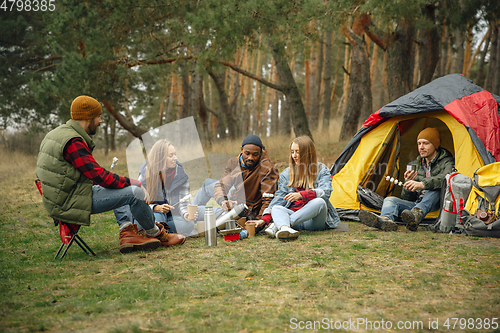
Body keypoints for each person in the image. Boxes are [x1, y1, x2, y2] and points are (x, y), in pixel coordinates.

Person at [35, 95, 185, 254]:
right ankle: (157, 234)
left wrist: (119, 182)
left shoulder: (57, 135)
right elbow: (98, 176)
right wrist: (135, 182)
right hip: (70, 201)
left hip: (63, 197)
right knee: (135, 192)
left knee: (117, 186)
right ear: (88, 118)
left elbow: (85, 176)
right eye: (98, 117)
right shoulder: (73, 141)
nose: (100, 121)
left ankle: (127, 233)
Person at [359, 127, 455, 231]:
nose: (421, 147)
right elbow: (407, 198)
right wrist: (408, 184)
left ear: (435, 145)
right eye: (419, 144)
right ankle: (385, 220)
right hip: (416, 205)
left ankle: (416, 214)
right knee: (390, 200)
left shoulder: (447, 161)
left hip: (437, 203)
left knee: (433, 190)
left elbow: (446, 179)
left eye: (426, 143)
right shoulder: (414, 165)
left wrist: (422, 184)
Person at [192, 134, 279, 234]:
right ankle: (192, 217)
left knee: (194, 210)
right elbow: (222, 185)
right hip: (236, 199)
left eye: (255, 154)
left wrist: (258, 222)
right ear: (241, 150)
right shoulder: (234, 162)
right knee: (208, 183)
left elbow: (268, 200)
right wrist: (223, 201)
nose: (250, 157)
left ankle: (190, 217)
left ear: (260, 153)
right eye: (247, 153)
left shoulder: (268, 169)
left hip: (245, 211)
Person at [262, 136, 341, 241]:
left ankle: (279, 225)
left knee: (320, 202)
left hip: (314, 221)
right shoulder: (286, 173)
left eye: (298, 152)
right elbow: (280, 198)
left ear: (307, 153)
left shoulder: (322, 170)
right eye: (292, 152)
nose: (294, 155)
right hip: (296, 220)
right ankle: (285, 229)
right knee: (276, 208)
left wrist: (302, 195)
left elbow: (325, 192)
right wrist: (265, 219)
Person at [114, 140, 197, 236]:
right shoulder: (146, 174)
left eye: (175, 154)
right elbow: (138, 203)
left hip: (170, 217)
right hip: (149, 216)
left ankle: (153, 232)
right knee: (158, 217)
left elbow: (184, 202)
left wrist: (186, 214)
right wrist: (157, 208)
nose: (175, 158)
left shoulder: (181, 175)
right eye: (171, 156)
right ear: (160, 158)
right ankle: (158, 232)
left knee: (189, 224)